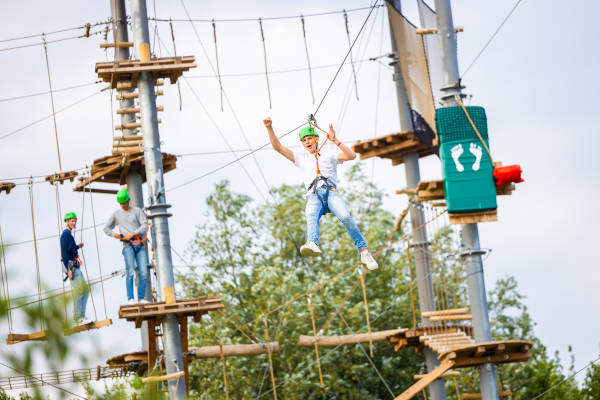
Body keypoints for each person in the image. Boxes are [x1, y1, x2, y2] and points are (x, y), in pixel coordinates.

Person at [263, 117, 378, 270]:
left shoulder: (329, 154)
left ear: (317, 138)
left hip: (330, 193)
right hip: (313, 195)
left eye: (309, 138)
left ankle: (364, 252)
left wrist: (335, 140)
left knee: (345, 216)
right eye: (303, 140)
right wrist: (269, 128)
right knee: (310, 215)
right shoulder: (301, 158)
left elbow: (351, 156)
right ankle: (312, 243)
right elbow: (278, 147)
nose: (307, 142)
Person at [103, 189, 150, 304]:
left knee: (143, 272)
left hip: (139, 243)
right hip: (127, 245)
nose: (123, 205)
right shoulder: (117, 214)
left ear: (129, 200)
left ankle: (141, 298)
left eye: (125, 202)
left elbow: (144, 226)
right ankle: (130, 299)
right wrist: (115, 235)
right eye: (121, 203)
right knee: (130, 271)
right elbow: (106, 228)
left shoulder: (137, 211)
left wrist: (133, 234)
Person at [60, 212, 91, 325]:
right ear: (67, 222)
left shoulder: (69, 235)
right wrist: (68, 269)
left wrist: (78, 246)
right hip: (71, 265)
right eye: (71, 221)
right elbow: (64, 253)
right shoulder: (65, 235)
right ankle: (79, 317)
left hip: (74, 264)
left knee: (85, 290)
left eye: (74, 221)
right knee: (79, 291)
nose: (73, 223)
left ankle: (81, 316)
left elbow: (70, 249)